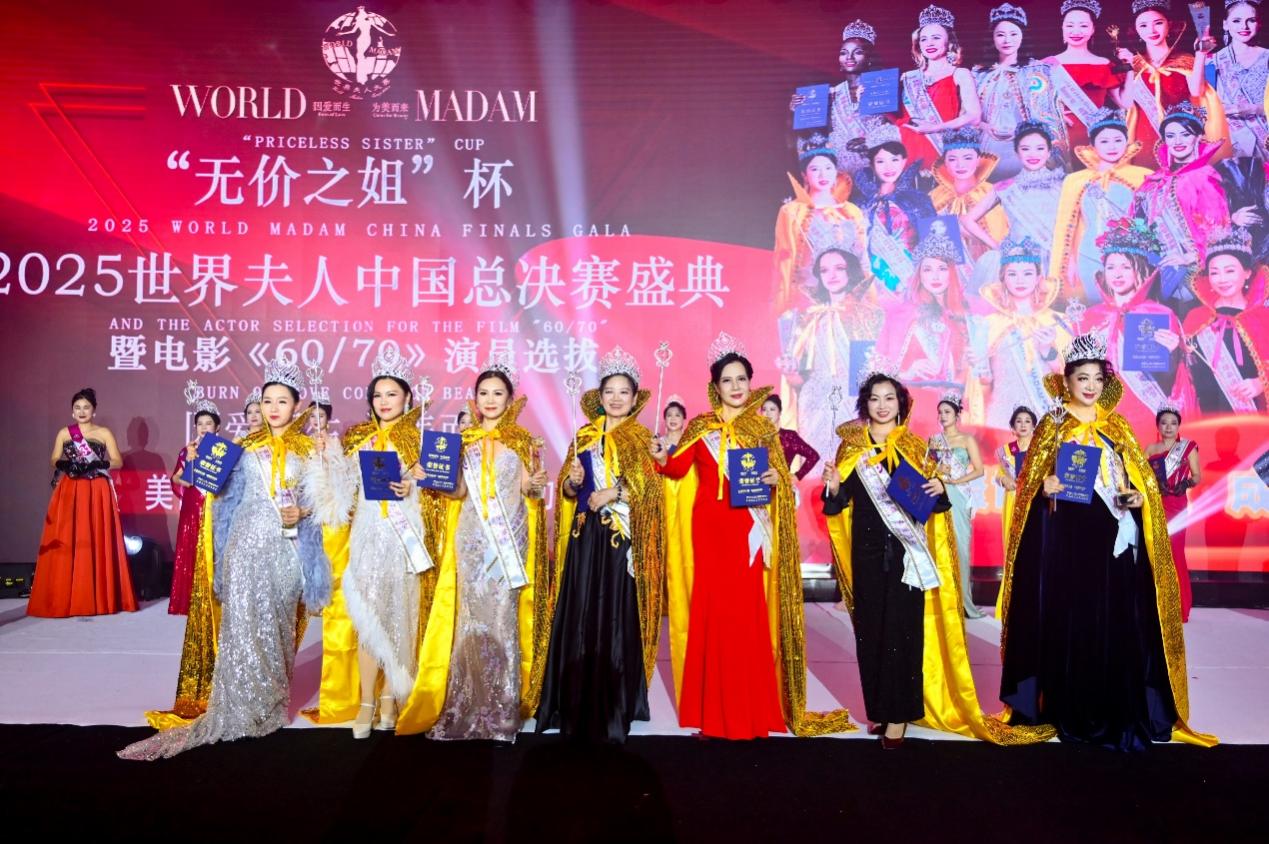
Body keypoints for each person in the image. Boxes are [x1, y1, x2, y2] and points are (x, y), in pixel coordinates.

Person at [998, 331, 1216, 750]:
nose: (1091, 386)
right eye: (1082, 377)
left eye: (1097, 378)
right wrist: (1044, 485)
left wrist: (1138, 497)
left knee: (1115, 619)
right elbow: (1029, 486)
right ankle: (1070, 706)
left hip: (1114, 535)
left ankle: (1112, 705)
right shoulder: (1052, 425)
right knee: (1073, 621)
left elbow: (1139, 482)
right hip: (1069, 538)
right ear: (1067, 381)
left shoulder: (1117, 425)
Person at [821, 365, 1053, 747]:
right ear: (865, 405)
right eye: (875, 399)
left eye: (889, 398)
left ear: (901, 404)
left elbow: (936, 505)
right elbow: (838, 504)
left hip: (907, 557)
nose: (882, 405)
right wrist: (833, 487)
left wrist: (940, 487)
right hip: (866, 554)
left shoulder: (915, 447)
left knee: (903, 634)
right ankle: (880, 709)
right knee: (871, 634)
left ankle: (899, 715)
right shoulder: (852, 450)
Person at [120, 361, 332, 759]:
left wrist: (304, 509)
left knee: (277, 626)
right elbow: (214, 497)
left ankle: (270, 703)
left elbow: (327, 503)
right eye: (267, 401)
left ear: (296, 405)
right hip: (243, 547)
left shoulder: (310, 450)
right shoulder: (242, 447)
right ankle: (241, 705)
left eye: (281, 401)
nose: (273, 408)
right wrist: (198, 463)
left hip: (285, 549)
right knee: (243, 628)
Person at [651, 333, 851, 739]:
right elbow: (676, 468)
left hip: (746, 531)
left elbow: (778, 483)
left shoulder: (762, 429)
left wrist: (777, 478)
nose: (736, 386)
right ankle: (713, 714)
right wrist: (660, 457)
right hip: (709, 531)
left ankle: (748, 712)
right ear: (715, 386)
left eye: (741, 378)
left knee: (744, 617)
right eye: (727, 380)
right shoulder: (701, 427)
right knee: (712, 617)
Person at [397, 356, 551, 741]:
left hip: (507, 541)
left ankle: (501, 713)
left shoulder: (522, 441)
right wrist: (432, 478)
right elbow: (460, 492)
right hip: (470, 539)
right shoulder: (463, 442)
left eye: (498, 393)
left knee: (501, 618)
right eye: (484, 393)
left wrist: (536, 484)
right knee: (470, 620)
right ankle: (468, 704)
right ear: (475, 399)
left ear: (510, 399)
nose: (491, 400)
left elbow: (528, 490)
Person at [308, 348, 441, 738]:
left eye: (392, 394)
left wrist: (415, 484)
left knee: (399, 619)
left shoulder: (420, 441)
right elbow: (340, 496)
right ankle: (367, 700)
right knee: (367, 621)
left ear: (407, 398)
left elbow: (441, 500)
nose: (384, 401)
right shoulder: (357, 438)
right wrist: (327, 459)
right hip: (367, 538)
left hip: (403, 540)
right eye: (378, 395)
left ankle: (390, 699)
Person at [537, 347, 663, 743]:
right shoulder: (585, 436)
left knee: (614, 614)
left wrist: (614, 492)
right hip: (585, 539)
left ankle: (613, 702)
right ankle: (573, 699)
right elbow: (568, 488)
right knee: (581, 612)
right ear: (600, 396)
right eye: (610, 391)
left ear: (635, 397)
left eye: (624, 392)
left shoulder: (642, 438)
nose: (616, 398)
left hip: (619, 541)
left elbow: (652, 491)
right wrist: (572, 482)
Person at [27, 388, 136, 618]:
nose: (82, 411)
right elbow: (54, 458)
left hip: (96, 489)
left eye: (86, 407)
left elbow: (118, 461)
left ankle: (97, 596)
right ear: (72, 411)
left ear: (94, 410)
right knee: (68, 538)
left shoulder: (103, 432)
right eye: (77, 408)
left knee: (95, 536)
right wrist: (64, 464)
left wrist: (99, 464)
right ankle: (64, 596)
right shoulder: (64, 433)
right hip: (71, 488)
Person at [1083, 217, 1195, 432]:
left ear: (1140, 270)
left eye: (1126, 267)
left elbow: (1172, 382)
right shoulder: (1091, 317)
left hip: (1148, 412)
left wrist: (1172, 353)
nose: (1117, 274)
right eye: (1111, 267)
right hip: (1105, 418)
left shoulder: (1160, 314)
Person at [777, 247, 883, 459]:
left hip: (852, 402)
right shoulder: (810, 317)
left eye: (839, 268)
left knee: (854, 464)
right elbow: (800, 379)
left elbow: (867, 372)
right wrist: (788, 371)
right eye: (824, 270)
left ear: (850, 271)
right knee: (814, 467)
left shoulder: (868, 314)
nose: (831, 275)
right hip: (813, 405)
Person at [974, 4, 1099, 178]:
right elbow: (968, 114)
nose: (1007, 40)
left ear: (1022, 36)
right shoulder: (979, 73)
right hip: (988, 146)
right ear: (992, 38)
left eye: (1013, 34)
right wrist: (983, 126)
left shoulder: (1038, 70)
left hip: (1026, 145)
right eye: (1000, 35)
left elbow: (1047, 113)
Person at [1131, 102, 1231, 309]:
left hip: (1195, 274)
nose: (1177, 141)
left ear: (1198, 137)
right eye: (1170, 135)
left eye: (1185, 134)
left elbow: (1220, 228)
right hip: (1160, 272)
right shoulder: (1155, 181)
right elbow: (1138, 222)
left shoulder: (1204, 177)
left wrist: (1190, 257)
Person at [878, 232, 979, 431]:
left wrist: (972, 366)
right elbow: (879, 367)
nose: (935, 276)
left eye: (942, 269)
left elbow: (974, 368)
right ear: (919, 274)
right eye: (928, 269)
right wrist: (908, 372)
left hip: (959, 405)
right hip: (915, 405)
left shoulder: (967, 314)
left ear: (951, 273)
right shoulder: (902, 316)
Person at [1051, 107, 1153, 303]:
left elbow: (1151, 222)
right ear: (1093, 145)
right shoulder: (1076, 181)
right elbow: (1065, 227)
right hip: (1089, 254)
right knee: (1095, 309)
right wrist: (1068, 262)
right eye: (1104, 141)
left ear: (1126, 141)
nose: (1112, 146)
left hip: (1130, 259)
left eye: (1118, 140)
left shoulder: (1143, 176)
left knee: (1129, 307)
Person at [1117, 0, 1227, 168]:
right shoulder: (1134, 64)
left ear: (1169, 25)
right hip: (1144, 138)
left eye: (1158, 23)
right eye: (1143, 25)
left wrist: (1201, 54)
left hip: (1180, 137)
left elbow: (1197, 91)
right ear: (1136, 30)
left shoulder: (1185, 59)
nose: (1152, 30)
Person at [977, 237, 1073, 429]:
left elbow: (1071, 377)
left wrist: (1047, 351)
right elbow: (981, 384)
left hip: (1048, 418)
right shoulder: (988, 324)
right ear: (1003, 279)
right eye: (1012, 274)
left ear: (1038, 278)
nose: (1020, 280)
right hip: (1002, 419)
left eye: (1027, 273)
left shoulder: (1057, 321)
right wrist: (979, 366)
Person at [773, 133, 868, 313]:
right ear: (805, 174)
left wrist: (867, 297)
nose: (823, 174)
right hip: (808, 296)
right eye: (815, 169)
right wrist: (785, 302)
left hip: (848, 296)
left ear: (836, 171)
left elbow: (862, 257)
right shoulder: (792, 211)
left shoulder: (851, 211)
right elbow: (784, 259)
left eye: (828, 168)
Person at [1184, 227, 1269, 413]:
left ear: (1247, 273)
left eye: (1229, 271)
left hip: (1254, 414)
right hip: (1208, 416)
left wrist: (1261, 383)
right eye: (1214, 272)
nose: (1222, 279)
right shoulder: (1195, 317)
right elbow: (1185, 374)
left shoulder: (1264, 317)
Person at [964, 122, 1066, 276]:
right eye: (1025, 149)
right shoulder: (1005, 187)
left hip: (1059, 258)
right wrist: (997, 247)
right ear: (1017, 152)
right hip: (1021, 262)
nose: (1032, 154)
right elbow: (967, 220)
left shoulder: (1065, 183)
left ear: (1049, 152)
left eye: (1040, 148)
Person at [790, 19, 887, 178]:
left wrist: (872, 141)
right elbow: (814, 136)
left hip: (878, 167)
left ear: (869, 57)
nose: (849, 57)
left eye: (857, 52)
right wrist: (798, 111)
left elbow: (899, 128)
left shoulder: (883, 87)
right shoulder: (831, 93)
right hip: (841, 172)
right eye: (844, 53)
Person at [896, 5, 983, 169]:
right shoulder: (906, 78)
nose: (929, 43)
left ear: (948, 41)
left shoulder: (960, 73)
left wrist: (935, 127)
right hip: (905, 150)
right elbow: (894, 118)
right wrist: (864, 97)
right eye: (923, 39)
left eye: (936, 37)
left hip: (940, 149)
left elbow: (974, 116)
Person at [853, 123, 937, 292]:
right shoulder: (861, 204)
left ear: (904, 161)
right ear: (872, 165)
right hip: (874, 282)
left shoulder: (918, 199)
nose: (889, 167)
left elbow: (937, 243)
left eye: (894, 160)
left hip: (913, 279)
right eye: (880, 161)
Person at [928, 391, 987, 618]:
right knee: (938, 546)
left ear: (957, 415)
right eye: (940, 412)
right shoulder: (934, 440)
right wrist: (937, 472)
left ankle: (964, 603)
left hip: (959, 495)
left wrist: (956, 481)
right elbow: (927, 468)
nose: (943, 416)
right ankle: (943, 601)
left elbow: (979, 470)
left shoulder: (967, 440)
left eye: (947, 412)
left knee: (960, 548)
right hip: (938, 495)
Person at [1042, 0, 1126, 156]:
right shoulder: (1046, 65)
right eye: (1070, 25)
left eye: (1083, 26)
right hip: (1057, 136)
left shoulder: (1105, 64)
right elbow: (1034, 107)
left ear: (1093, 29)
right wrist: (1052, 117)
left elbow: (1124, 104)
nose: (1076, 31)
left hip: (1096, 136)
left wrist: (1130, 68)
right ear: (1062, 28)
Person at [1146, 404, 1201, 623]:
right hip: (1156, 503)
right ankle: (1158, 604)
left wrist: (1186, 483)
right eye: (1164, 423)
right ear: (1158, 426)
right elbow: (1140, 476)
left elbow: (1197, 476)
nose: (1168, 427)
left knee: (1175, 553)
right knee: (1156, 553)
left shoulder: (1188, 447)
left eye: (1173, 423)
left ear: (1179, 426)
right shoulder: (1150, 449)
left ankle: (1179, 606)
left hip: (1177, 504)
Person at [168, 396, 221, 615]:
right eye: (200, 423)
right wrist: (190, 460)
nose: (204, 427)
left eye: (208, 423)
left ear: (217, 427)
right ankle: (190, 599)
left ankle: (215, 598)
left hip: (215, 506)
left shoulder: (223, 450)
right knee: (190, 548)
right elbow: (178, 478)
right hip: (192, 505)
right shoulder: (187, 450)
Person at [928, 126, 1008, 264]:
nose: (960, 165)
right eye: (952, 159)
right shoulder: (935, 197)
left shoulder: (992, 192)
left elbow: (1001, 234)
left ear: (978, 160)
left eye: (968, 158)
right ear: (945, 163)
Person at [1211, 0, 1269, 159]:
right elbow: (1201, 107)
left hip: (1265, 138)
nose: (1244, 26)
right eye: (1236, 20)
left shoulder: (1267, 57)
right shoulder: (1212, 61)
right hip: (1229, 142)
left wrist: (1253, 109)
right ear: (1225, 24)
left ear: (1259, 23)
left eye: (1251, 20)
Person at [994, 405, 1037, 615]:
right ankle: (1010, 601)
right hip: (1012, 502)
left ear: (1034, 425)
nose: (1023, 425)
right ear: (1012, 426)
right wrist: (1004, 480)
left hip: (1034, 503)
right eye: (1019, 421)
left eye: (1027, 421)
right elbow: (999, 475)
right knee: (1013, 549)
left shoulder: (1040, 449)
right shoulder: (1005, 451)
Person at [760, 394, 821, 482]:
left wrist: (797, 476)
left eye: (772, 409)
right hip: (759, 487)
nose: (768, 413)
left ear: (780, 412)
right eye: (764, 409)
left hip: (783, 487)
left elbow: (813, 456)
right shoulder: (755, 437)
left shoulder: (789, 437)